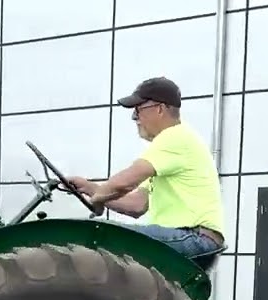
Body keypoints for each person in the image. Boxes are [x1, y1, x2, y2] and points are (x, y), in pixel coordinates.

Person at [67, 76, 226, 261]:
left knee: (100, 233)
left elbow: (124, 183)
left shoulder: (174, 137)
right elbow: (137, 205)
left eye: (138, 109)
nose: (135, 117)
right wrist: (88, 188)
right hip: (192, 238)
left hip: (194, 238)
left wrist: (98, 198)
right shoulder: (172, 149)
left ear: (160, 108)